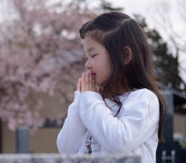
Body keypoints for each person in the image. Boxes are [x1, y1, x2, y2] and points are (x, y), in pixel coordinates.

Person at [56, 12, 166, 163]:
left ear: (124, 56)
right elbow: (66, 149)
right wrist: (81, 100)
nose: (87, 64)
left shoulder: (144, 99)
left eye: (93, 55)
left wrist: (90, 100)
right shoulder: (93, 101)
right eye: (86, 57)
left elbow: (119, 142)